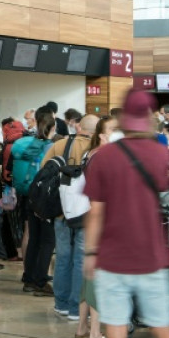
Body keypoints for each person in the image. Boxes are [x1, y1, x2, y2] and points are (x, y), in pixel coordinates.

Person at [84, 89, 169, 338]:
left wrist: (90, 252)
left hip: (111, 257)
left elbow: (96, 212)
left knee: (116, 331)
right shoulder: (160, 155)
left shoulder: (104, 157)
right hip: (150, 256)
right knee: (163, 329)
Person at [49, 114, 96, 321]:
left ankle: (61, 304)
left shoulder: (59, 145)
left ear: (79, 127)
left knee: (62, 256)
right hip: (86, 212)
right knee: (81, 258)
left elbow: (44, 170)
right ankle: (77, 308)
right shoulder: (96, 150)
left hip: (62, 210)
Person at [73, 116, 114, 338]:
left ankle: (82, 327)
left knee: (89, 277)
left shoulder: (90, 154)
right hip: (101, 222)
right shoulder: (103, 157)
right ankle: (95, 333)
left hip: (89, 219)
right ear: (102, 135)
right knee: (98, 278)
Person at [12, 109, 55, 295]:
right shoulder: (51, 147)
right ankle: (40, 281)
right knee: (48, 240)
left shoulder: (23, 144)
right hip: (45, 196)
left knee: (34, 238)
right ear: (52, 127)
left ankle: (29, 278)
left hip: (28, 194)